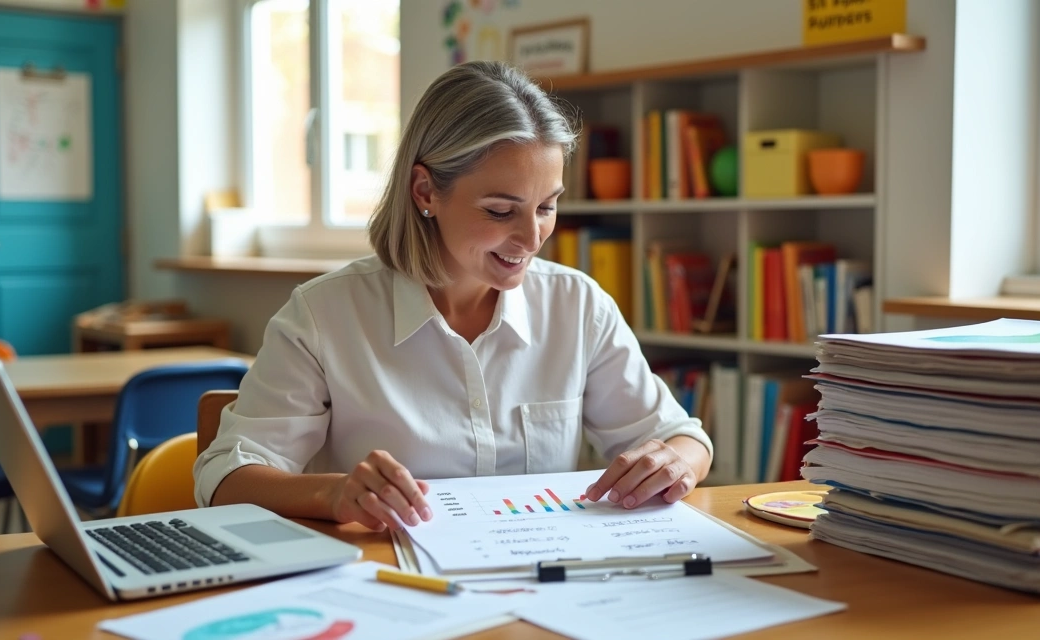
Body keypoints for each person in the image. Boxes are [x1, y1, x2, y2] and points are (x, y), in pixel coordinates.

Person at [194, 61, 713, 532]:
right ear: (425, 192)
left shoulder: (576, 305)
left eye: (547, 207)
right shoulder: (324, 314)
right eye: (499, 211)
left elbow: (681, 437)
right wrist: (336, 493)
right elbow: (225, 477)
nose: (532, 238)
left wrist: (675, 463)